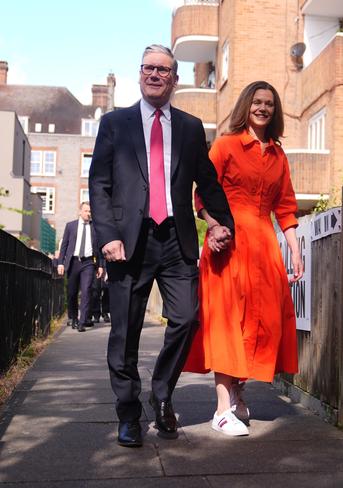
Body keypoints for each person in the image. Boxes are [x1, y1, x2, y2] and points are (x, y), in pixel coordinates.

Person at [89, 44, 234, 448]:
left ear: (175, 79)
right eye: (149, 68)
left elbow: (206, 181)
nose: (155, 75)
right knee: (125, 331)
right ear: (140, 74)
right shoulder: (115, 123)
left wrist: (221, 223)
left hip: (175, 237)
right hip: (128, 241)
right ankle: (129, 414)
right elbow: (99, 184)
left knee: (187, 318)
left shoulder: (189, 127)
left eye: (164, 70)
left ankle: (163, 393)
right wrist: (108, 236)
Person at [183, 81, 303, 437]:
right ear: (245, 106)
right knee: (227, 320)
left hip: (264, 245)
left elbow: (285, 207)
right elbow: (202, 192)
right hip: (229, 242)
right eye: (257, 102)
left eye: (269, 103)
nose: (263, 108)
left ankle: (237, 392)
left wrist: (295, 249)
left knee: (260, 321)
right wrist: (215, 227)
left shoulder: (278, 155)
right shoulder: (226, 145)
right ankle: (221, 409)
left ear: (274, 110)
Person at [57, 201, 104, 332]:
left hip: (88, 263)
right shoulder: (70, 226)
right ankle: (73, 317)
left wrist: (100, 265)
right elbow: (64, 246)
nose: (88, 214)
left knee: (86, 290)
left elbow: (99, 248)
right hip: (73, 262)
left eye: (90, 212)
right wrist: (61, 262)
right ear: (80, 211)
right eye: (86, 211)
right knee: (72, 293)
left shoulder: (95, 227)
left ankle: (82, 321)